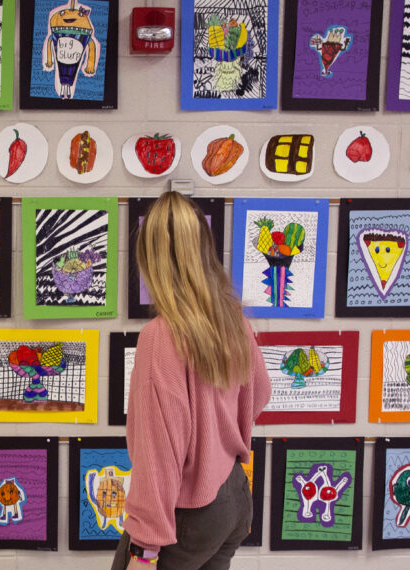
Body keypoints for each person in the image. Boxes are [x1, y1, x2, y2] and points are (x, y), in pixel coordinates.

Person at [113, 191, 271, 569]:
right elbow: (261, 392)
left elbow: (157, 453)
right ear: (204, 249)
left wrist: (145, 550)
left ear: (151, 258)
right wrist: (218, 438)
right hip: (232, 499)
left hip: (188, 512)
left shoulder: (159, 337)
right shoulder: (233, 319)